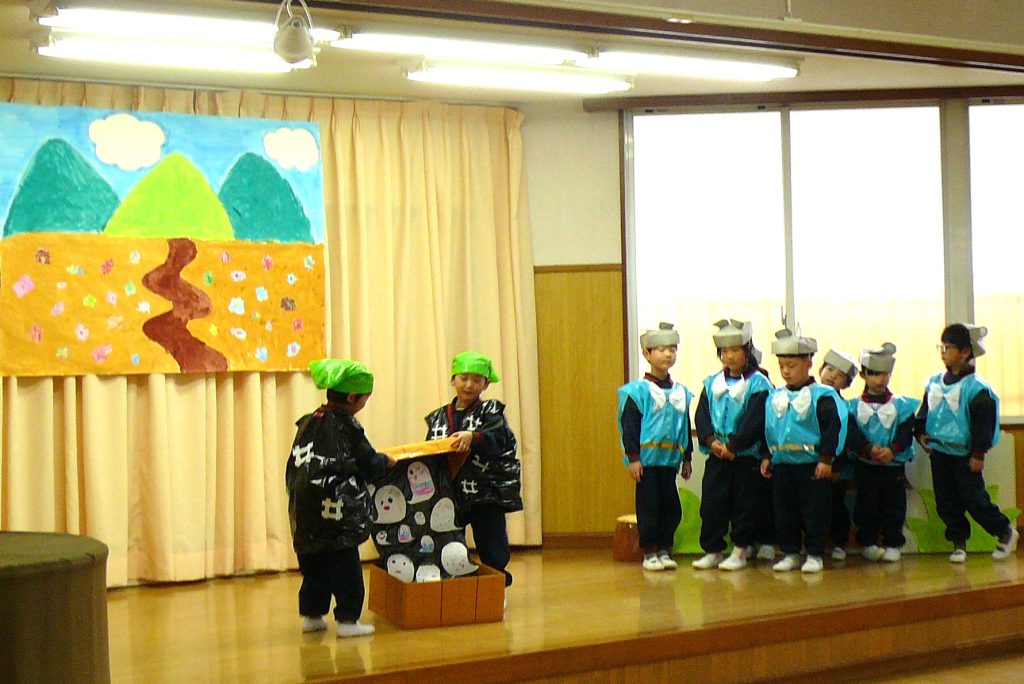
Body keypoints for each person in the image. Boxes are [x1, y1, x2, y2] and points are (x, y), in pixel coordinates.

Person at [286, 358, 395, 638]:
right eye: (364, 398)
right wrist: (386, 462)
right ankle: (348, 619)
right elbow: (369, 463)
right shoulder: (347, 426)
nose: (364, 404)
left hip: (306, 510)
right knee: (345, 565)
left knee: (314, 564)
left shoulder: (309, 422)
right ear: (351, 397)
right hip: (337, 510)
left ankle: (313, 616)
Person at [914, 324, 1019, 563]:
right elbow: (924, 412)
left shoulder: (977, 389)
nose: (943, 352)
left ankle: (1004, 530)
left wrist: (978, 453)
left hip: (965, 455)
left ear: (965, 352)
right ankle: (958, 543)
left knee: (974, 499)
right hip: (939, 452)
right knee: (945, 502)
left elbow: (984, 424)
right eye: (942, 347)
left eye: (949, 347)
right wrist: (920, 434)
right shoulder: (934, 383)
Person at [424, 351, 522, 586]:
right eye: (463, 378)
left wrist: (474, 437)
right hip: (450, 492)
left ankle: (496, 584)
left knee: (492, 542)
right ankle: (454, 584)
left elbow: (498, 438)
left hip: (485, 491)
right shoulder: (438, 417)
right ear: (453, 380)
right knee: (448, 542)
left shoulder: (492, 412)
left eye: (476, 380)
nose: (469, 385)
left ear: (486, 384)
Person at [761, 328, 848, 574]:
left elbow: (832, 427)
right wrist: (767, 456)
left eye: (791, 365)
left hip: (812, 464)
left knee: (814, 511)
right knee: (784, 510)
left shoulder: (822, 395)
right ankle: (790, 552)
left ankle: (814, 554)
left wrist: (826, 459)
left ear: (808, 363)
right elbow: (769, 428)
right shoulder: (775, 396)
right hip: (783, 463)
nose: (786, 371)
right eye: (781, 366)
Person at [692, 319, 773, 571]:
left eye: (735, 350)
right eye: (725, 351)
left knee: (744, 505)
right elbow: (701, 415)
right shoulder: (711, 382)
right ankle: (713, 550)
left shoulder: (759, 383)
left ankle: (740, 550)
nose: (729, 356)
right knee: (712, 503)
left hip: (745, 456)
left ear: (747, 350)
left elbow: (756, 418)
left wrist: (735, 445)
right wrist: (710, 441)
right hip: (717, 454)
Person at [617, 322, 693, 571]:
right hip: (647, 462)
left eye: (672, 349)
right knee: (649, 506)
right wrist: (634, 458)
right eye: (661, 349)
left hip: (669, 461)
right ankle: (649, 551)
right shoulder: (637, 392)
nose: (668, 354)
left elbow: (684, 425)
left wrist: (687, 457)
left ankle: (664, 547)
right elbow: (630, 426)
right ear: (647, 354)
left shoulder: (681, 392)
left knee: (670, 506)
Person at [847, 343, 919, 563]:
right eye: (874, 374)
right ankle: (868, 542)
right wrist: (868, 449)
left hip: (893, 465)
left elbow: (907, 431)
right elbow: (851, 433)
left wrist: (893, 450)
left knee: (894, 506)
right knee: (866, 505)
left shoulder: (902, 406)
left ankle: (893, 543)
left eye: (885, 374)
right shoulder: (852, 407)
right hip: (865, 465)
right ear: (863, 375)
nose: (881, 379)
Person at [818, 349, 858, 561]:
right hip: (809, 467)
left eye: (840, 375)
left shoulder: (846, 408)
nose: (833, 376)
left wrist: (837, 468)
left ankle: (839, 543)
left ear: (846, 383)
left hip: (835, 470)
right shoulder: (806, 400)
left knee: (837, 507)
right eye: (830, 369)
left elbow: (847, 440)